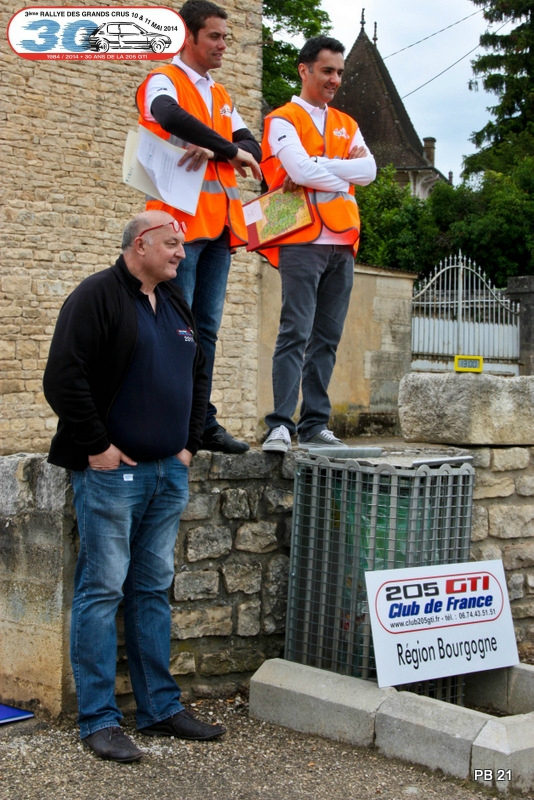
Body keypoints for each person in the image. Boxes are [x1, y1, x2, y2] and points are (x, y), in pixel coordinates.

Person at [43, 210, 226, 763]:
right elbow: (63, 376)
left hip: (167, 472)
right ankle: (99, 718)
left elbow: (198, 373)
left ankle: (160, 708)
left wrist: (188, 445)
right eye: (173, 244)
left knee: (150, 590)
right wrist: (97, 446)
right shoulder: (96, 295)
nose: (180, 253)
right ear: (141, 244)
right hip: (111, 474)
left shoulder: (173, 301)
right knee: (101, 592)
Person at [136, 0, 262, 455]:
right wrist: (227, 149)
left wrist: (219, 149)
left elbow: (252, 143)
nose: (223, 45)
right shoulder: (163, 80)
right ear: (188, 37)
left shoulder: (221, 95)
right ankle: (168, 419)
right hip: (180, 228)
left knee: (205, 329)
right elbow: (169, 117)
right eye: (215, 36)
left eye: (226, 37)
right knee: (176, 326)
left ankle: (198, 422)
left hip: (221, 228)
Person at [260, 35, 377, 453]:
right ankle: (279, 425)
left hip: (342, 241)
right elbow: (296, 168)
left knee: (326, 337)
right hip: (300, 238)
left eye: (340, 72)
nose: (335, 80)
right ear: (304, 70)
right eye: (328, 70)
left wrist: (318, 168)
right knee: (295, 330)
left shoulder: (347, 123)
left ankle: (314, 424)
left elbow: (371, 171)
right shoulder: (282, 119)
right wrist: (343, 173)